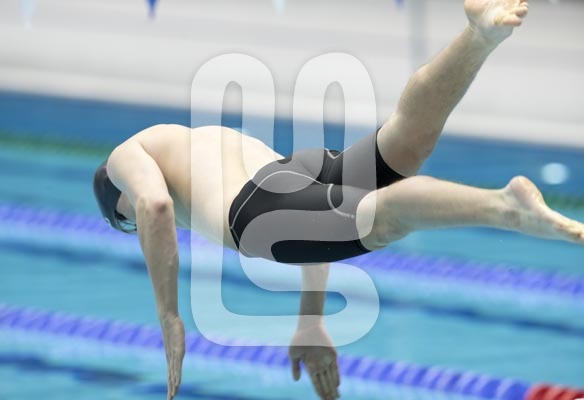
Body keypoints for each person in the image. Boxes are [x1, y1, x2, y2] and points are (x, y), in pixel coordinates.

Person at [93, 0, 583, 399]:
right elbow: (302, 213)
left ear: (117, 200)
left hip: (253, 210)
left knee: (383, 218)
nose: (140, 228)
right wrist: (310, 321)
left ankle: (503, 207)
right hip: (292, 171)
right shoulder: (185, 138)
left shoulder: (122, 159)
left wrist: (169, 316)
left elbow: (155, 207)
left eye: (125, 222)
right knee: (405, 142)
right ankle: (478, 37)